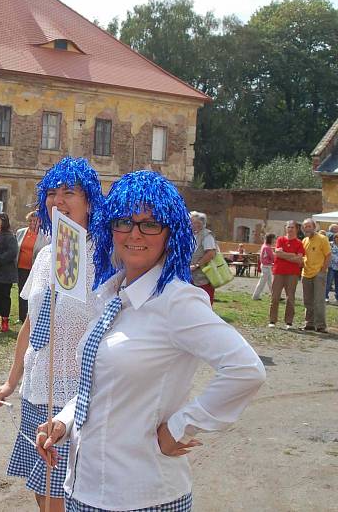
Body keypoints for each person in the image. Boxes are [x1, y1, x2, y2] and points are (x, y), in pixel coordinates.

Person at [36, 170, 266, 512]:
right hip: (84, 486)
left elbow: (246, 369)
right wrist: (64, 421)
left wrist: (179, 427)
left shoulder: (177, 302)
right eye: (124, 222)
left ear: (170, 231)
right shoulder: (111, 294)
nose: (134, 234)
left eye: (150, 224)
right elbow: (98, 385)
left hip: (143, 495)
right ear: (110, 228)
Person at [0, 157, 102, 512]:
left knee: (63, 495)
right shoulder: (45, 256)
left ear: (90, 202)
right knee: (42, 488)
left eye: (70, 192)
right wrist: (11, 382)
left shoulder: (104, 260)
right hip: (37, 389)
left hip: (74, 396)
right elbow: (29, 324)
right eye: (52, 193)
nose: (59, 201)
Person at [269, 220, 305, 329]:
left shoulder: (299, 243)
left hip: (292, 273)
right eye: (288, 227)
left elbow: (299, 259)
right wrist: (292, 255)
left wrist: (284, 255)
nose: (290, 229)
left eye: (292, 227)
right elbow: (277, 253)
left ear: (296, 229)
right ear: (286, 228)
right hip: (279, 272)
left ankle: (288, 322)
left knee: (290, 298)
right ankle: (272, 320)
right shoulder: (280, 240)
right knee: (275, 297)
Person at [15, 211, 49, 323]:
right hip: (21, 268)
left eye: (35, 220)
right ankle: (22, 317)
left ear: (40, 222)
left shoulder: (45, 235)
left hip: (36, 269)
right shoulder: (20, 232)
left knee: (33, 292)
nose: (32, 222)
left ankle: (32, 316)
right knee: (22, 291)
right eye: (30, 220)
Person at [300, 218, 330, 332]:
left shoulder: (322, 239)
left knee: (319, 300)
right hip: (306, 273)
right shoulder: (304, 240)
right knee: (307, 300)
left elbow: (328, 255)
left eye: (309, 226)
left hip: (318, 273)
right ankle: (309, 323)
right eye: (305, 226)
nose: (307, 228)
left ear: (314, 227)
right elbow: (303, 256)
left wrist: (323, 270)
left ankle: (321, 325)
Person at [189, 211, 217, 304]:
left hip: (203, 276)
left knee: (203, 301)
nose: (190, 224)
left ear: (199, 223)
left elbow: (210, 253)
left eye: (192, 222)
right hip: (192, 276)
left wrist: (196, 265)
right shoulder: (193, 235)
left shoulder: (207, 235)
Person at [252, 233, 276, 300]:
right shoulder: (267, 247)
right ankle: (255, 296)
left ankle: (274, 295)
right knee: (262, 283)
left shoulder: (265, 246)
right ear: (270, 239)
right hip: (266, 267)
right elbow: (272, 257)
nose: (274, 240)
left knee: (270, 283)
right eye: (274, 239)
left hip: (266, 266)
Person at [326, 233, 338, 303]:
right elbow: (330, 254)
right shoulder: (330, 244)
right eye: (337, 237)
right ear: (334, 238)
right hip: (331, 267)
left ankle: (337, 297)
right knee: (329, 283)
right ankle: (326, 297)